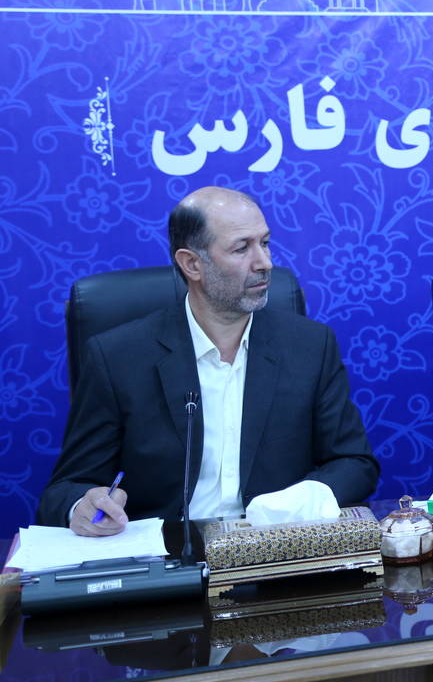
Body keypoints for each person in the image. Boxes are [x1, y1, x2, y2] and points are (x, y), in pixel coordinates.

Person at [37, 187, 379, 536]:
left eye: (265, 243)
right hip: (168, 554)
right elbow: (66, 488)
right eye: (241, 248)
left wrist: (305, 497)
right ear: (192, 264)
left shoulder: (310, 346)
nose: (264, 262)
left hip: (275, 548)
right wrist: (83, 506)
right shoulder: (118, 357)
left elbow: (354, 463)